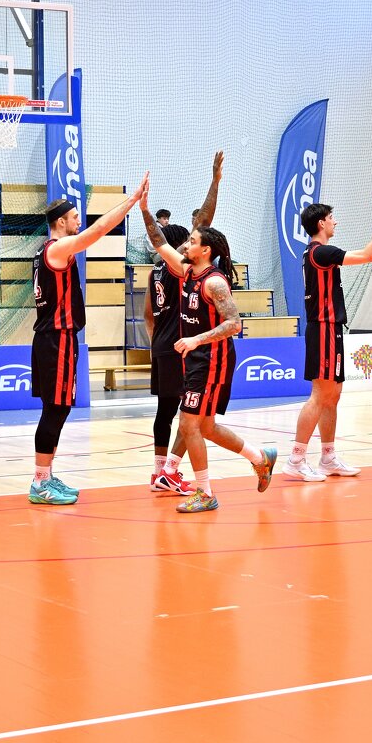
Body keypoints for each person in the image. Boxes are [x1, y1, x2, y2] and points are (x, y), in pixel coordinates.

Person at [141, 197, 277, 513]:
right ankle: (259, 458)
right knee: (206, 427)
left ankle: (205, 493)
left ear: (205, 250)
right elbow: (159, 242)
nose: (186, 244)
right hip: (197, 359)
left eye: (192, 241)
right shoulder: (186, 271)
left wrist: (196, 339)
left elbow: (234, 324)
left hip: (213, 360)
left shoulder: (214, 282)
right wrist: (144, 208)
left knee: (189, 425)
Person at [28, 177, 149, 505]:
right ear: (60, 222)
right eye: (74, 217)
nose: (78, 221)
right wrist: (131, 201)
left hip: (53, 338)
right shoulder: (56, 248)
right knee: (56, 410)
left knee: (58, 409)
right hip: (57, 338)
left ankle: (46, 475)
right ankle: (40, 481)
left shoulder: (46, 251)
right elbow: (96, 232)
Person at [282, 202, 372, 482]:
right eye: (331, 218)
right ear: (321, 223)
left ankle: (328, 457)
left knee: (333, 396)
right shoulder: (321, 252)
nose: (335, 222)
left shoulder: (314, 253)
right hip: (323, 328)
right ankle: (296, 459)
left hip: (331, 328)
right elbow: (368, 255)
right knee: (320, 395)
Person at [141, 152, 223, 494]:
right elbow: (204, 221)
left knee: (165, 411)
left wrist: (156, 342)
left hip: (161, 344)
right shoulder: (180, 269)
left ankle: (160, 472)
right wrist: (215, 183)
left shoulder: (155, 271)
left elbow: (148, 315)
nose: (191, 242)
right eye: (187, 240)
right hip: (180, 345)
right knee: (191, 415)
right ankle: (169, 472)